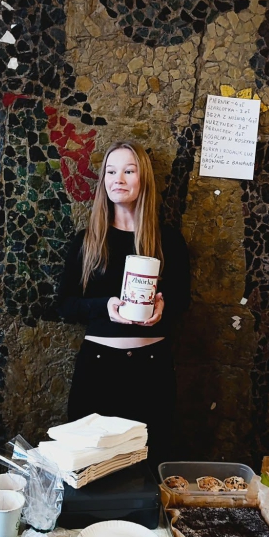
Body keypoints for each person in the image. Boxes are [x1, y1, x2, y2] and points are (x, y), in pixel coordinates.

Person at [57, 141, 191, 466]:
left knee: (150, 463)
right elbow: (64, 306)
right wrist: (103, 307)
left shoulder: (168, 240)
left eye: (129, 171)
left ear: (143, 179)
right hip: (98, 368)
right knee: (91, 467)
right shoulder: (87, 241)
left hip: (152, 369)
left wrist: (163, 308)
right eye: (111, 171)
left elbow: (182, 301)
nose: (118, 179)